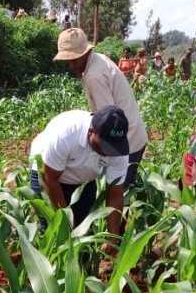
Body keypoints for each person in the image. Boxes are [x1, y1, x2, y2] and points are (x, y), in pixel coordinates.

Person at [54, 29, 148, 189]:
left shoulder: (94, 75)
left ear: (85, 53)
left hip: (124, 142)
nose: (71, 65)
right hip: (133, 137)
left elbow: (107, 119)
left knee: (115, 197)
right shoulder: (99, 60)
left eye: (74, 59)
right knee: (123, 196)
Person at [28, 106, 130, 251]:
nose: (108, 153)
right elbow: (49, 179)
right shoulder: (66, 135)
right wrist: (67, 225)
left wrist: (113, 237)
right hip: (46, 173)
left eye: (113, 148)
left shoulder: (118, 150)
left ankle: (81, 269)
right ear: (91, 132)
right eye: (105, 147)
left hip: (83, 179)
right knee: (56, 232)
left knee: (82, 230)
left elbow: (114, 193)